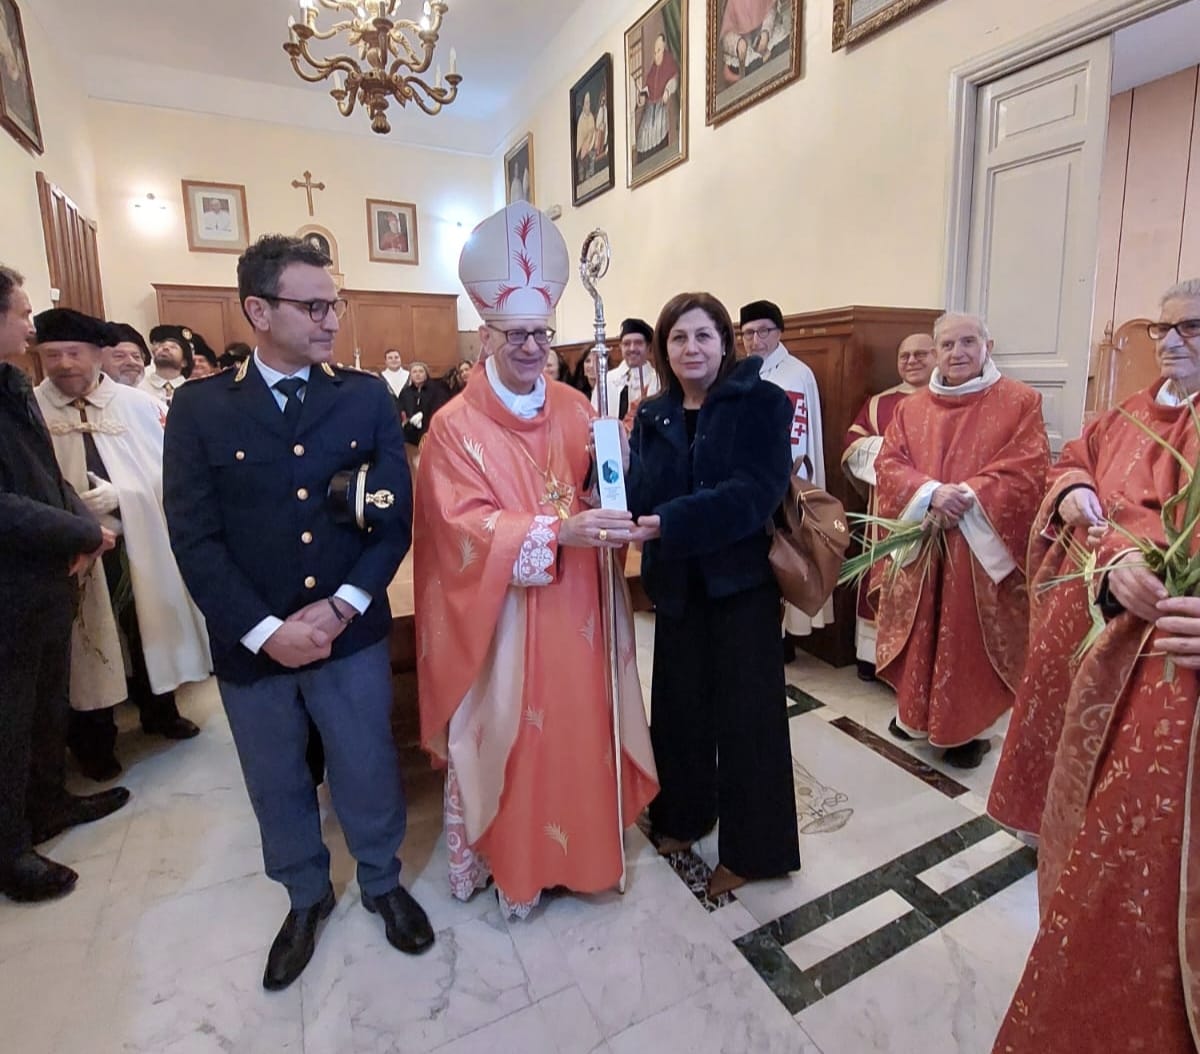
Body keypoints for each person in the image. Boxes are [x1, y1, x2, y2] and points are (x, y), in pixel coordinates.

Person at [163, 234, 432, 991]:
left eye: (334, 305)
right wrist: (265, 631)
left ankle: (380, 881)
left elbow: (393, 518)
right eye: (313, 307)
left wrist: (343, 607)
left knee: (366, 763)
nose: (330, 320)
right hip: (253, 643)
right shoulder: (201, 408)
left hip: (349, 632)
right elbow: (194, 537)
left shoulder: (363, 397)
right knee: (276, 776)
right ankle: (306, 895)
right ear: (258, 310)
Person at [415, 202, 658, 917]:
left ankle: (581, 856)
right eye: (516, 334)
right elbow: (458, 527)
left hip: (580, 603)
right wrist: (558, 533)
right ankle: (517, 864)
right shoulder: (452, 427)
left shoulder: (578, 407)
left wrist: (614, 479)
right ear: (486, 335)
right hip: (505, 618)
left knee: (578, 728)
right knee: (517, 735)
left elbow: (591, 491)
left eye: (541, 334)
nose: (530, 347)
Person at [992, 279, 1200, 1052]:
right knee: (1096, 831)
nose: (1170, 341)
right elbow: (1076, 460)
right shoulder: (1129, 411)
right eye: (1162, 327)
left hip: (1176, 669)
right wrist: (1077, 495)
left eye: (1191, 327)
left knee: (1152, 862)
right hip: (1107, 639)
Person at [627, 291, 800, 898]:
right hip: (677, 584)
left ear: (725, 343)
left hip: (740, 586)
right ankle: (684, 816)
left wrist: (669, 521)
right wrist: (608, 474)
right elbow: (640, 493)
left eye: (703, 335)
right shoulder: (654, 414)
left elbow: (754, 493)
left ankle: (756, 850)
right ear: (663, 349)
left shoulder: (762, 402)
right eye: (678, 337)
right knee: (680, 710)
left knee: (749, 721)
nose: (691, 348)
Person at [33, 308, 210, 781]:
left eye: (74, 353)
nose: (64, 364)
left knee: (144, 623)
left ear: (97, 355)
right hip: (72, 546)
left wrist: (123, 495)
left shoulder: (134, 405)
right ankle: (93, 740)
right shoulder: (31, 409)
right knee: (86, 641)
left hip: (135, 540)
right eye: (53, 355)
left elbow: (168, 472)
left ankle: (160, 711)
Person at [0, 266, 129, 902]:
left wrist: (84, 526)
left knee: (43, 705)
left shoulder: (11, 386)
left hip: (42, 579)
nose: (31, 327)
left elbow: (48, 477)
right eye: (22, 314)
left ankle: (48, 802)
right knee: (7, 721)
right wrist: (80, 531)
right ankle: (9, 852)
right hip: (9, 586)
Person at [873, 313, 1049, 768]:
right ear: (936, 352)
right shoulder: (912, 408)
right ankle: (915, 715)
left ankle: (969, 730)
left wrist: (967, 495)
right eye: (948, 345)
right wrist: (931, 493)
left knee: (968, 635)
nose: (958, 353)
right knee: (920, 626)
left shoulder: (1020, 401)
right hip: (925, 533)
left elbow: (1029, 469)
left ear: (988, 345)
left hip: (979, 543)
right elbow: (889, 464)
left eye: (968, 342)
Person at [840, 333, 935, 679]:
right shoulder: (879, 403)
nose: (911, 361)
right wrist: (897, 459)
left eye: (921, 354)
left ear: (937, 356)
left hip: (934, 513)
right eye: (904, 355)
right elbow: (853, 446)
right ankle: (872, 658)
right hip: (885, 512)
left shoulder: (953, 401)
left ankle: (918, 663)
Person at [739, 300, 828, 650]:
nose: (756, 340)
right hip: (745, 482)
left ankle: (785, 635)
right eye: (748, 333)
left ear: (779, 332)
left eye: (764, 331)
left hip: (784, 481)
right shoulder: (740, 372)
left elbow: (800, 433)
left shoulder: (797, 374)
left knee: (786, 551)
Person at [592, 317, 661, 429]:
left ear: (649, 347)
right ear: (620, 347)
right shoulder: (606, 380)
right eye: (626, 344)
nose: (632, 348)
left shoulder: (657, 381)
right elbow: (594, 415)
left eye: (638, 343)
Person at [719, 0, 792, 80]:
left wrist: (765, 33)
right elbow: (726, 33)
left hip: (771, 40)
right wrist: (737, 44)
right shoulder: (731, 3)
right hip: (748, 57)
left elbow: (770, 7)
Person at [140, 325, 193, 408]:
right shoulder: (140, 386)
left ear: (184, 362)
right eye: (161, 346)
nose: (165, 348)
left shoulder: (192, 389)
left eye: (173, 347)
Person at [102, 323, 150, 389]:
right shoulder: (93, 395)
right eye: (119, 356)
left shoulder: (150, 394)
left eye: (136, 356)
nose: (131, 362)